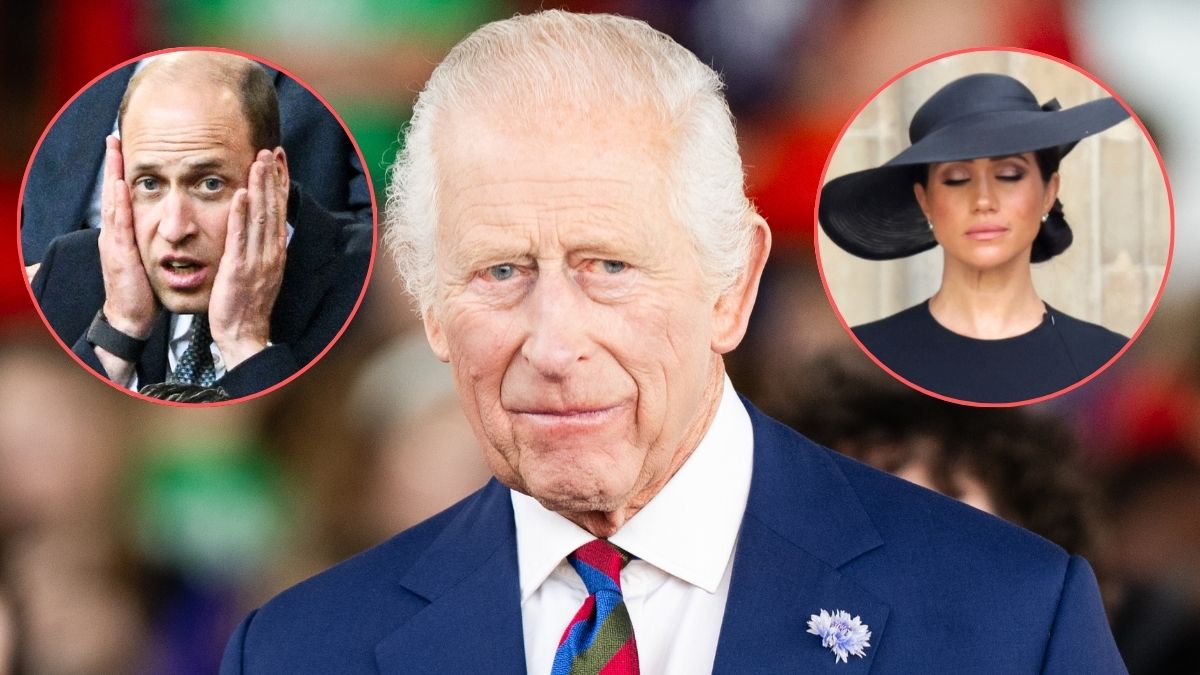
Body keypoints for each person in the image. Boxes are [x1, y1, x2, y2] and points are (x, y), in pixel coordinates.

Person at [221, 12, 1125, 672]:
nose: (553, 341)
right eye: (499, 272)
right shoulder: (300, 650)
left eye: (608, 265)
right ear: (429, 310)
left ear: (733, 285)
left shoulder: (1008, 618)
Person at [30, 51, 372, 401]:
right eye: (149, 183)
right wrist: (121, 330)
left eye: (209, 184)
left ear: (276, 176)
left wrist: (243, 339)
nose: (175, 229)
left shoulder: (369, 288)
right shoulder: (66, 274)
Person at [819, 72, 1132, 403]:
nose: (983, 201)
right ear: (925, 200)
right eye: (956, 178)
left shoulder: (1102, 355)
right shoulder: (868, 360)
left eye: (1009, 174)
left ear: (1049, 192)